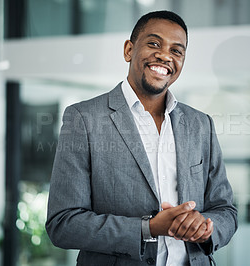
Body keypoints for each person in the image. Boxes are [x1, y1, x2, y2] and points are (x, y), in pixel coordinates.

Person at [46, 10, 237, 266]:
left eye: (177, 51)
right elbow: (63, 224)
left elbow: (226, 210)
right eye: (154, 43)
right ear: (129, 50)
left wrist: (205, 228)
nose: (165, 55)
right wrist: (148, 228)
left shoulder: (200, 124)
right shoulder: (83, 118)